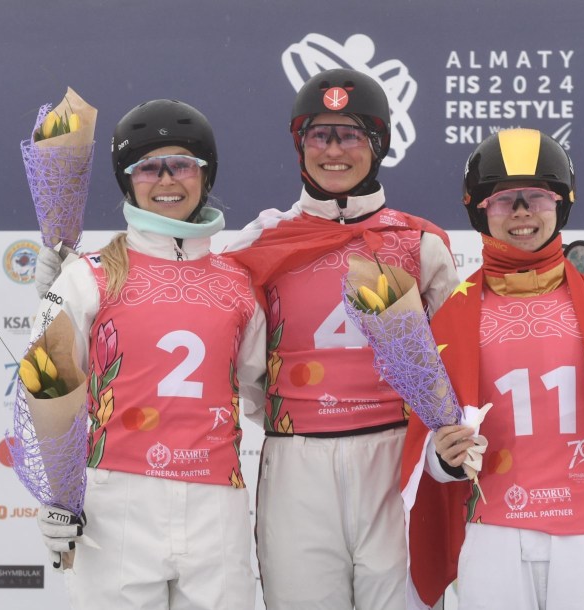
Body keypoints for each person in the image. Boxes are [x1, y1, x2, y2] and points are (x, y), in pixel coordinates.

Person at [401, 128, 584, 610]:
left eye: (537, 198)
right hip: (492, 535)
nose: (523, 212)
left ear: (561, 206)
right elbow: (423, 440)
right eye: (504, 200)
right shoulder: (452, 315)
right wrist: (443, 458)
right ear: (480, 210)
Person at [223, 68, 459, 610]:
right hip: (296, 462)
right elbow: (223, 344)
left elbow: (457, 365)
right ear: (299, 146)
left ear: (378, 146)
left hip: (395, 457)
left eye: (350, 134)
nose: (333, 150)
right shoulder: (259, 241)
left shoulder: (421, 244)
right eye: (318, 135)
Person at [30, 99, 264, 609]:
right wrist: (59, 493)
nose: (166, 180)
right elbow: (48, 385)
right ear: (127, 179)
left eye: (182, 164)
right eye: (147, 167)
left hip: (215, 502)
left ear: (205, 175)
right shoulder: (87, 275)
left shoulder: (238, 283)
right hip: (116, 501)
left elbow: (266, 392)